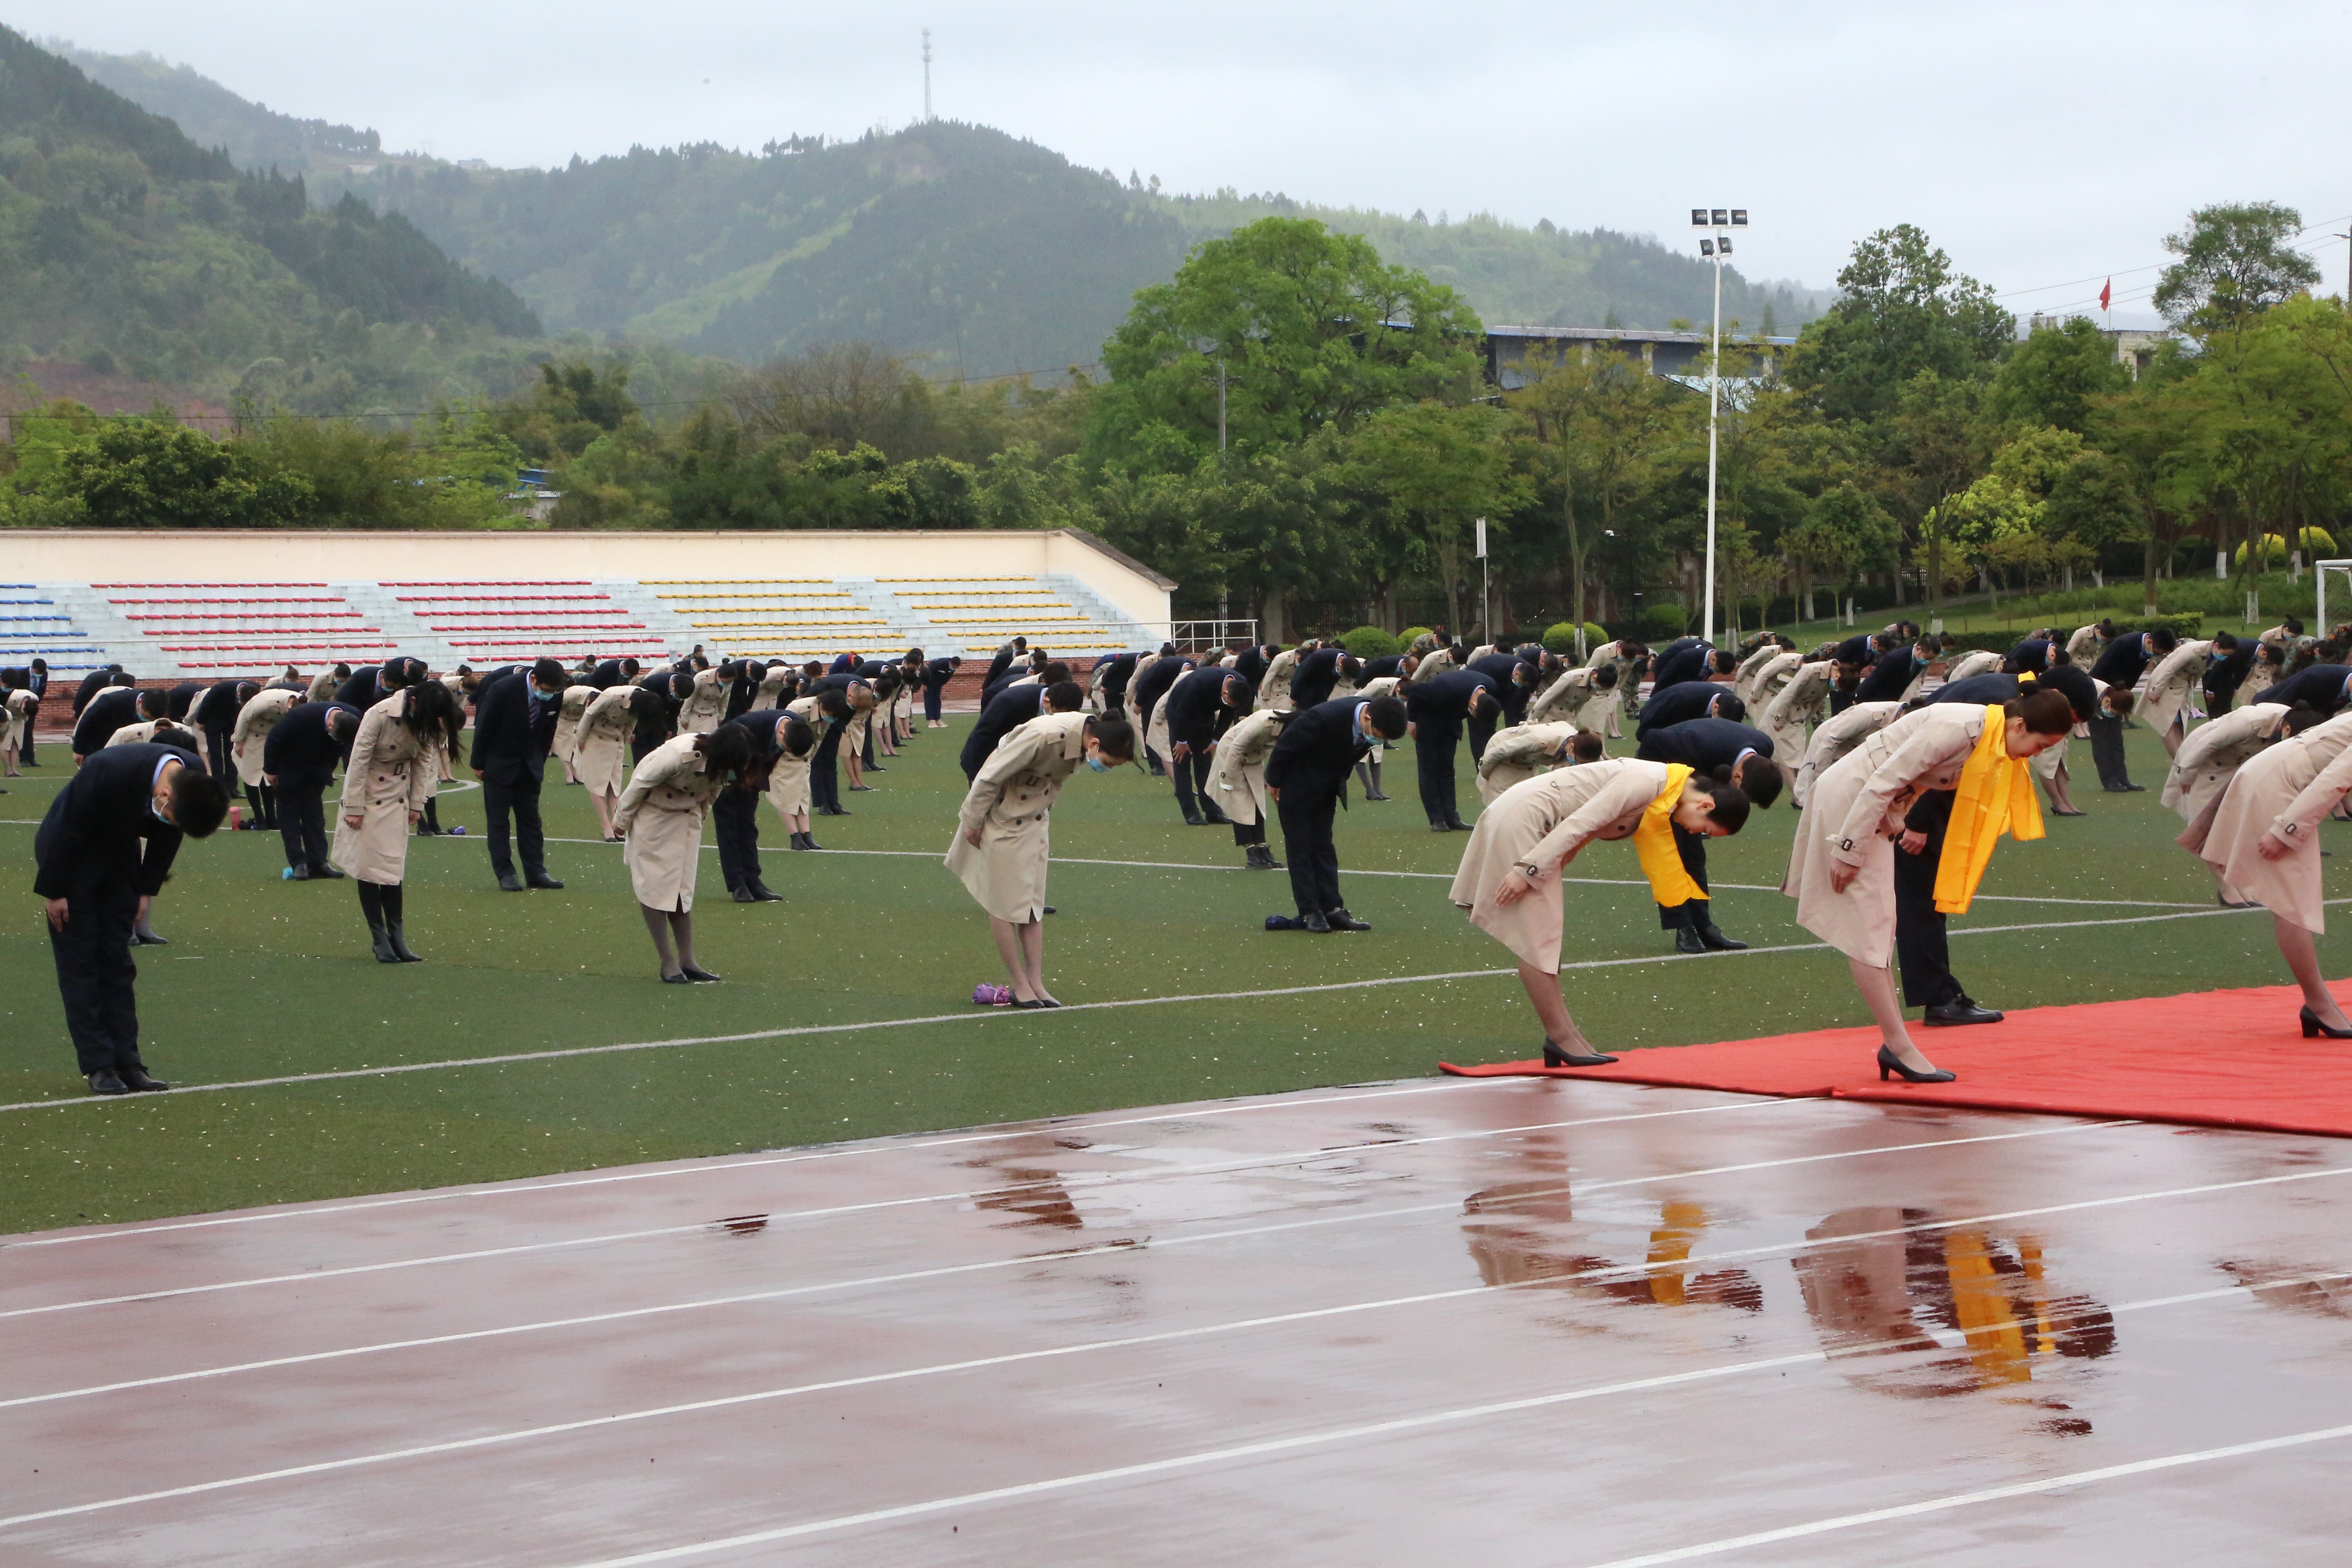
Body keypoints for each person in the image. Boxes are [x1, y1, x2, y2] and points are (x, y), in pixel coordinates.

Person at [1784, 688, 2074, 1082]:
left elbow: (1911, 785)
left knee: (1881, 926)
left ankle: (1897, 1045)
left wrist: (1894, 824)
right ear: (2020, 725)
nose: (2036, 754)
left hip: (1874, 806)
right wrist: (1849, 849)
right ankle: (1899, 1046)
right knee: (1870, 931)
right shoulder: (1960, 729)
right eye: (2040, 744)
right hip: (1853, 803)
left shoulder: (1986, 736)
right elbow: (1882, 781)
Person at [1455, 759, 1750, 1066]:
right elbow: (1582, 822)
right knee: (1539, 938)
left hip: (1533, 821)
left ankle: (1565, 1036)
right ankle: (1561, 1037)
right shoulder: (1649, 782)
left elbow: (1587, 828)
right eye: (1705, 829)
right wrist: (1528, 870)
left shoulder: (1663, 790)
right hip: (1527, 819)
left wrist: (1551, 865)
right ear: (1705, 805)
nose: (1694, 831)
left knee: (1544, 937)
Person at [34, 739, 229, 1093]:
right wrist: (56, 891)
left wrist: (145, 890)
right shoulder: (107, 768)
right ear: (166, 793)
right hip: (69, 856)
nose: (167, 821)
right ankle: (99, 1065)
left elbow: (168, 836)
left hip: (120, 854)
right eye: (168, 814)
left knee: (118, 961)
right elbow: (69, 826)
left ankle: (129, 1063)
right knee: (81, 963)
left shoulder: (193, 777)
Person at [947, 710, 1136, 1005]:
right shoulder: (1044, 736)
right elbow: (989, 776)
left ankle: (1035, 983)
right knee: (1003, 905)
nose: (1106, 768)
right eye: (1108, 762)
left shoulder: (1082, 738)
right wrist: (972, 821)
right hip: (1002, 818)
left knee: (1032, 905)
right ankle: (1018, 984)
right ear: (1095, 743)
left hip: (1035, 819)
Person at [2190, 708, 2352, 1037]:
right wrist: (2287, 830)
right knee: (2294, 901)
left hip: (2282, 774)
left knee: (2294, 899)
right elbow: (2338, 776)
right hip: (2284, 783)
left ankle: (2318, 1005)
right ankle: (2319, 1006)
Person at [614, 724, 754, 982]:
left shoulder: (725, 765)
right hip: (654, 816)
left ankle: (688, 961)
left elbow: (712, 793)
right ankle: (667, 962)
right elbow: (639, 784)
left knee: (682, 890)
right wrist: (621, 821)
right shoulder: (680, 755)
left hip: (687, 818)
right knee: (654, 888)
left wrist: (699, 819)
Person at [331, 682, 459, 962]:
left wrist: (417, 804)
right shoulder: (379, 714)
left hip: (398, 797)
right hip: (368, 795)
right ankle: (379, 939)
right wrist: (353, 807)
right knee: (368, 869)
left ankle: (397, 936)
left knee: (391, 869)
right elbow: (358, 760)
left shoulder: (427, 715)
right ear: (412, 699)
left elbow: (425, 760)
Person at [1635, 715, 1784, 952]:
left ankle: (1704, 927)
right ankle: (1684, 929)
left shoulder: (1763, 747)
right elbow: (1649, 738)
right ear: (1738, 777)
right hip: (1662, 778)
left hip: (1700, 790)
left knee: (1695, 857)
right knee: (1672, 854)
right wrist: (1668, 793)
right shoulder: (1693, 745)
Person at [1265, 694, 1409, 932]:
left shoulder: (1374, 721)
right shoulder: (1323, 717)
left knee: (1324, 847)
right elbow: (1285, 746)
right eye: (1377, 736)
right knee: (1301, 848)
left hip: (1327, 787)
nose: (1375, 741)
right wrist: (1274, 782)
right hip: (1295, 786)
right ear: (1367, 718)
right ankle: (1310, 911)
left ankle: (1333, 909)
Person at [2167, 700, 2321, 906]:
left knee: (2233, 825)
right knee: (2207, 827)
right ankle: (2226, 887)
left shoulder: (2295, 722)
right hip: (2204, 761)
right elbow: (2207, 744)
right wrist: (2185, 775)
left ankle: (2238, 884)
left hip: (2238, 765)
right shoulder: (2249, 722)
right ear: (2287, 729)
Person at [470, 657, 567, 892]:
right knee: (499, 822)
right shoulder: (502, 689)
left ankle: (537, 872)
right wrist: (479, 764)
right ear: (534, 678)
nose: (550, 695)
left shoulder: (555, 693)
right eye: (546, 691)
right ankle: (506, 873)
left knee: (531, 821)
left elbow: (548, 730)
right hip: (499, 763)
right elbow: (484, 726)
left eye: (555, 692)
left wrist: (539, 762)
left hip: (530, 766)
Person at [263, 700, 359, 880]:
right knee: (289, 816)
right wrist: (271, 771)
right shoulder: (300, 716)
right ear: (330, 725)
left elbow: (350, 749)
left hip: (318, 770)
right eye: (335, 736)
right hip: (289, 766)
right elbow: (274, 739)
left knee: (315, 816)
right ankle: (299, 863)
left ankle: (319, 863)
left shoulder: (354, 716)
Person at [1405, 669, 1504, 831]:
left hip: (1451, 722)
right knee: (1429, 769)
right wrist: (1412, 722)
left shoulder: (1491, 687)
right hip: (1429, 719)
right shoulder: (1446, 688)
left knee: (1447, 769)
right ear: (1473, 706)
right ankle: (1436, 819)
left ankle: (1452, 817)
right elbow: (1416, 692)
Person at [2085, 626, 2180, 790]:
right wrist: (2115, 688)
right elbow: (2101, 670)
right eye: (2158, 652)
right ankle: (2109, 781)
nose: (2158, 656)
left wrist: (2125, 694)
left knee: (2116, 739)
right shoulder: (2124, 644)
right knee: (2102, 739)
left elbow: (2134, 675)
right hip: (2099, 694)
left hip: (2118, 695)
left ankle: (2123, 779)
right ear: (2150, 641)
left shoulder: (2145, 650)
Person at [715, 706, 794, 902]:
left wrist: (756, 781)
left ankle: (754, 881)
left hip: (752, 774)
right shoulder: (746, 725)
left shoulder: (794, 727)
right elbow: (723, 747)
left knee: (748, 828)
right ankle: (738, 884)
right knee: (729, 829)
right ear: (782, 733)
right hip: (727, 768)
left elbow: (771, 757)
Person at [1163, 663, 1253, 825]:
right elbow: (1183, 711)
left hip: (1206, 714)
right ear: (1225, 693)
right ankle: (1191, 813)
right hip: (1180, 711)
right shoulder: (1201, 682)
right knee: (1182, 762)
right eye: (1230, 702)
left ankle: (1213, 811)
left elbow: (1228, 713)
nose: (1231, 706)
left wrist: (1215, 741)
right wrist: (1181, 741)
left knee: (1204, 762)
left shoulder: (1241, 685)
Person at [1207, 705, 1290, 870]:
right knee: (1240, 804)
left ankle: (1262, 847)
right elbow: (1236, 747)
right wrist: (1227, 777)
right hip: (1231, 754)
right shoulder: (1262, 723)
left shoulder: (1291, 725)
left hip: (1252, 755)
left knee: (1257, 801)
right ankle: (1251, 853)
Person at [572, 683, 649, 840]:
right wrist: (580, 739)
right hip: (596, 736)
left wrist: (627, 738)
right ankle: (606, 825)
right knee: (598, 783)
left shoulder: (646, 699)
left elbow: (632, 720)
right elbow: (590, 713)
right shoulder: (612, 696)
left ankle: (616, 824)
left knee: (614, 784)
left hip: (616, 738)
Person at [230, 682, 304, 830]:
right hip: (250, 735)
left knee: (267, 776)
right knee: (250, 775)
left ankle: (272, 819)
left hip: (270, 737)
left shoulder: (300, 703)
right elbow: (244, 717)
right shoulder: (265, 701)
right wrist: (238, 741)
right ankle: (260, 819)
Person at [2139, 636, 2216, 757]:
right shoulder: (2192, 651)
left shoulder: (2211, 656)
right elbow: (2169, 670)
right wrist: (2156, 692)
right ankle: (2177, 760)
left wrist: (2190, 697)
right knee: (2169, 723)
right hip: (2166, 684)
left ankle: (2182, 757)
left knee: (2180, 722)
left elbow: (2197, 675)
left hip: (2182, 687)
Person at [1476, 722, 1582, 804]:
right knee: (1503, 804)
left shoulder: (1581, 742)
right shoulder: (1539, 741)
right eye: (1577, 761)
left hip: (1528, 762)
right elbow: (1497, 752)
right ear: (1572, 747)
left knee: (1529, 801)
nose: (1576, 764)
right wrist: (1486, 775)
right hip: (1503, 752)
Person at [71, 683, 154, 761]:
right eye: (146, 717)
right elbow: (87, 721)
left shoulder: (156, 703)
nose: (147, 721)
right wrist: (79, 750)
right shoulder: (109, 702)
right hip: (101, 736)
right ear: (140, 702)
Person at [1634, 679, 1746, 737]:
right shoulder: (1685, 700)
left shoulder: (1729, 699)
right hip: (1660, 713)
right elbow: (1655, 715)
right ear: (1716, 707)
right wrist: (1644, 736)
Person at [1, 656, 49, 766]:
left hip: (30, 706)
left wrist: (34, 704)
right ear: (33, 668)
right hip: (18, 706)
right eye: (38, 672)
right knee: (19, 734)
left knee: (29, 733)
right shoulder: (22, 675)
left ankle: (31, 758)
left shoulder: (44, 675)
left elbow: (42, 689)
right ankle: (24, 759)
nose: (40, 674)